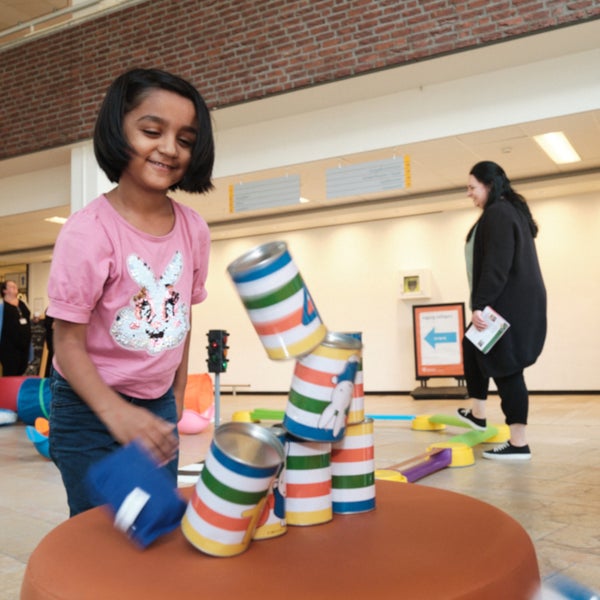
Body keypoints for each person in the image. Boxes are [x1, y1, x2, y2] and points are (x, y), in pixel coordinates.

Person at [46, 68, 215, 516]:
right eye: (152, 131)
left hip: (157, 403)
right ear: (117, 129)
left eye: (185, 138)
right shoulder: (89, 232)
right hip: (87, 406)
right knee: (101, 531)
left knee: (151, 522)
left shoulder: (193, 228)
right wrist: (114, 413)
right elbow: (66, 339)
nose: (168, 148)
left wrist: (177, 393)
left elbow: (183, 315)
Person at [456, 161, 546, 461]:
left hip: (509, 306)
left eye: (472, 187)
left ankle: (519, 444)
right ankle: (478, 412)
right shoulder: (508, 211)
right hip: (517, 304)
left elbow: (496, 264)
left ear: (489, 185)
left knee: (508, 371)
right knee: (472, 344)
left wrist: (480, 304)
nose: (469, 194)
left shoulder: (498, 213)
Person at [0, 280, 32, 376]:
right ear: (4, 290)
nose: (15, 287)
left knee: (21, 371)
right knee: (10, 372)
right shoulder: (2, 307)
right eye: (11, 286)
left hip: (24, 347)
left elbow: (27, 318)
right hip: (9, 348)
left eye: (15, 285)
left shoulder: (22, 304)